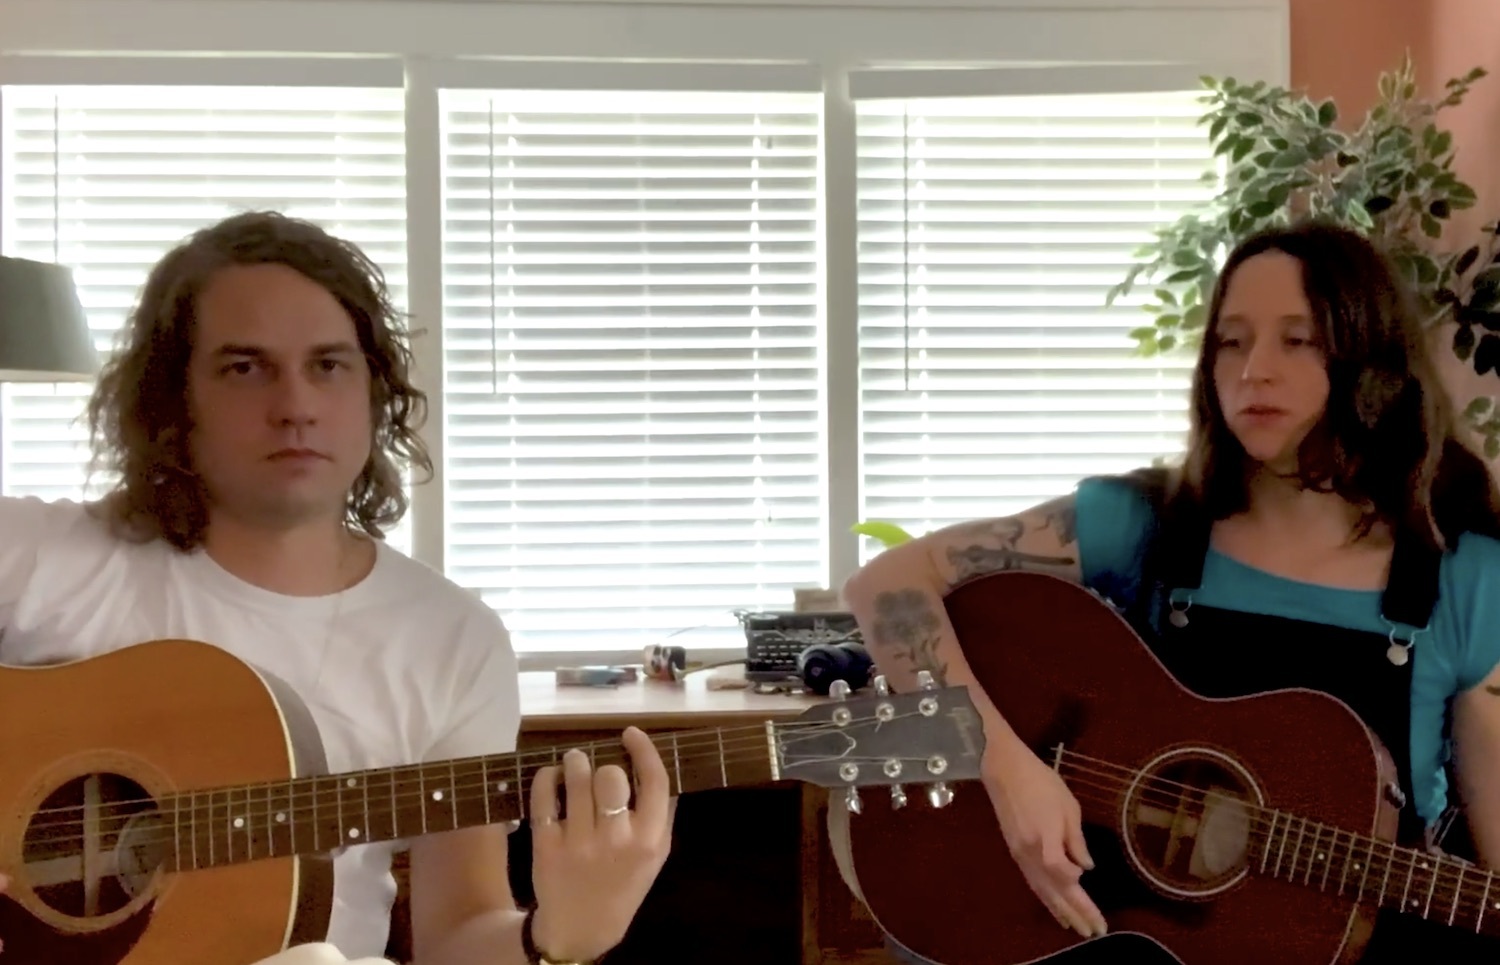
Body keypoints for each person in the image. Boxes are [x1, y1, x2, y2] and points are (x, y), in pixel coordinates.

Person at [0, 211, 672, 964]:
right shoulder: (33, 558)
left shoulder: (450, 637)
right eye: (243, 366)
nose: (296, 404)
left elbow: (458, 933)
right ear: (173, 400)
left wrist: (559, 936)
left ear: (373, 393)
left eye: (328, 364)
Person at [841, 220, 1500, 963]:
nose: (1253, 370)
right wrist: (1008, 771)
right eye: (1231, 340)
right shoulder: (1148, 524)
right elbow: (887, 580)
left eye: (1298, 339)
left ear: (1370, 358)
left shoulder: (1465, 577)